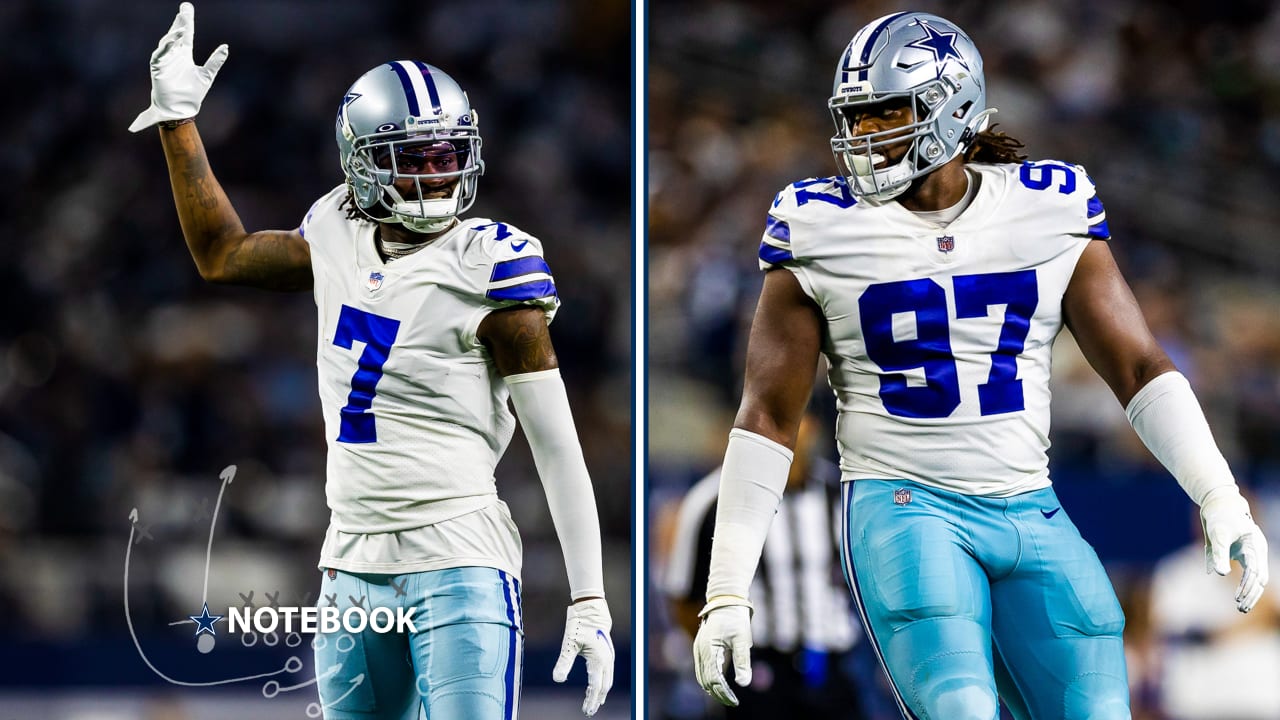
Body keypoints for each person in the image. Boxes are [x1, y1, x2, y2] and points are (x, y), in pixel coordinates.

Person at [691, 10, 1269, 720]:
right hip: (905, 506)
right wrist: (726, 588)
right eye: (856, 119)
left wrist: (1219, 494)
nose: (862, 138)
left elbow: (1139, 367)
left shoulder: (1046, 206)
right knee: (963, 707)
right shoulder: (819, 225)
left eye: (882, 115)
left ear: (950, 107)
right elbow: (769, 417)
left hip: (1031, 504)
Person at [128, 4, 614, 719]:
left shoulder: (491, 267)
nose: (436, 175)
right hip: (350, 561)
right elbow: (221, 254)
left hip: (458, 556)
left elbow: (557, 445)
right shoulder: (335, 231)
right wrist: (177, 121)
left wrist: (590, 597)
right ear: (361, 160)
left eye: (447, 156)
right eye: (414, 159)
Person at [664, 412, 871, 719]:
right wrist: (723, 657)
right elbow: (683, 598)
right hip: (758, 669)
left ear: (813, 427)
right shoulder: (712, 499)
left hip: (834, 667)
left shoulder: (841, 493)